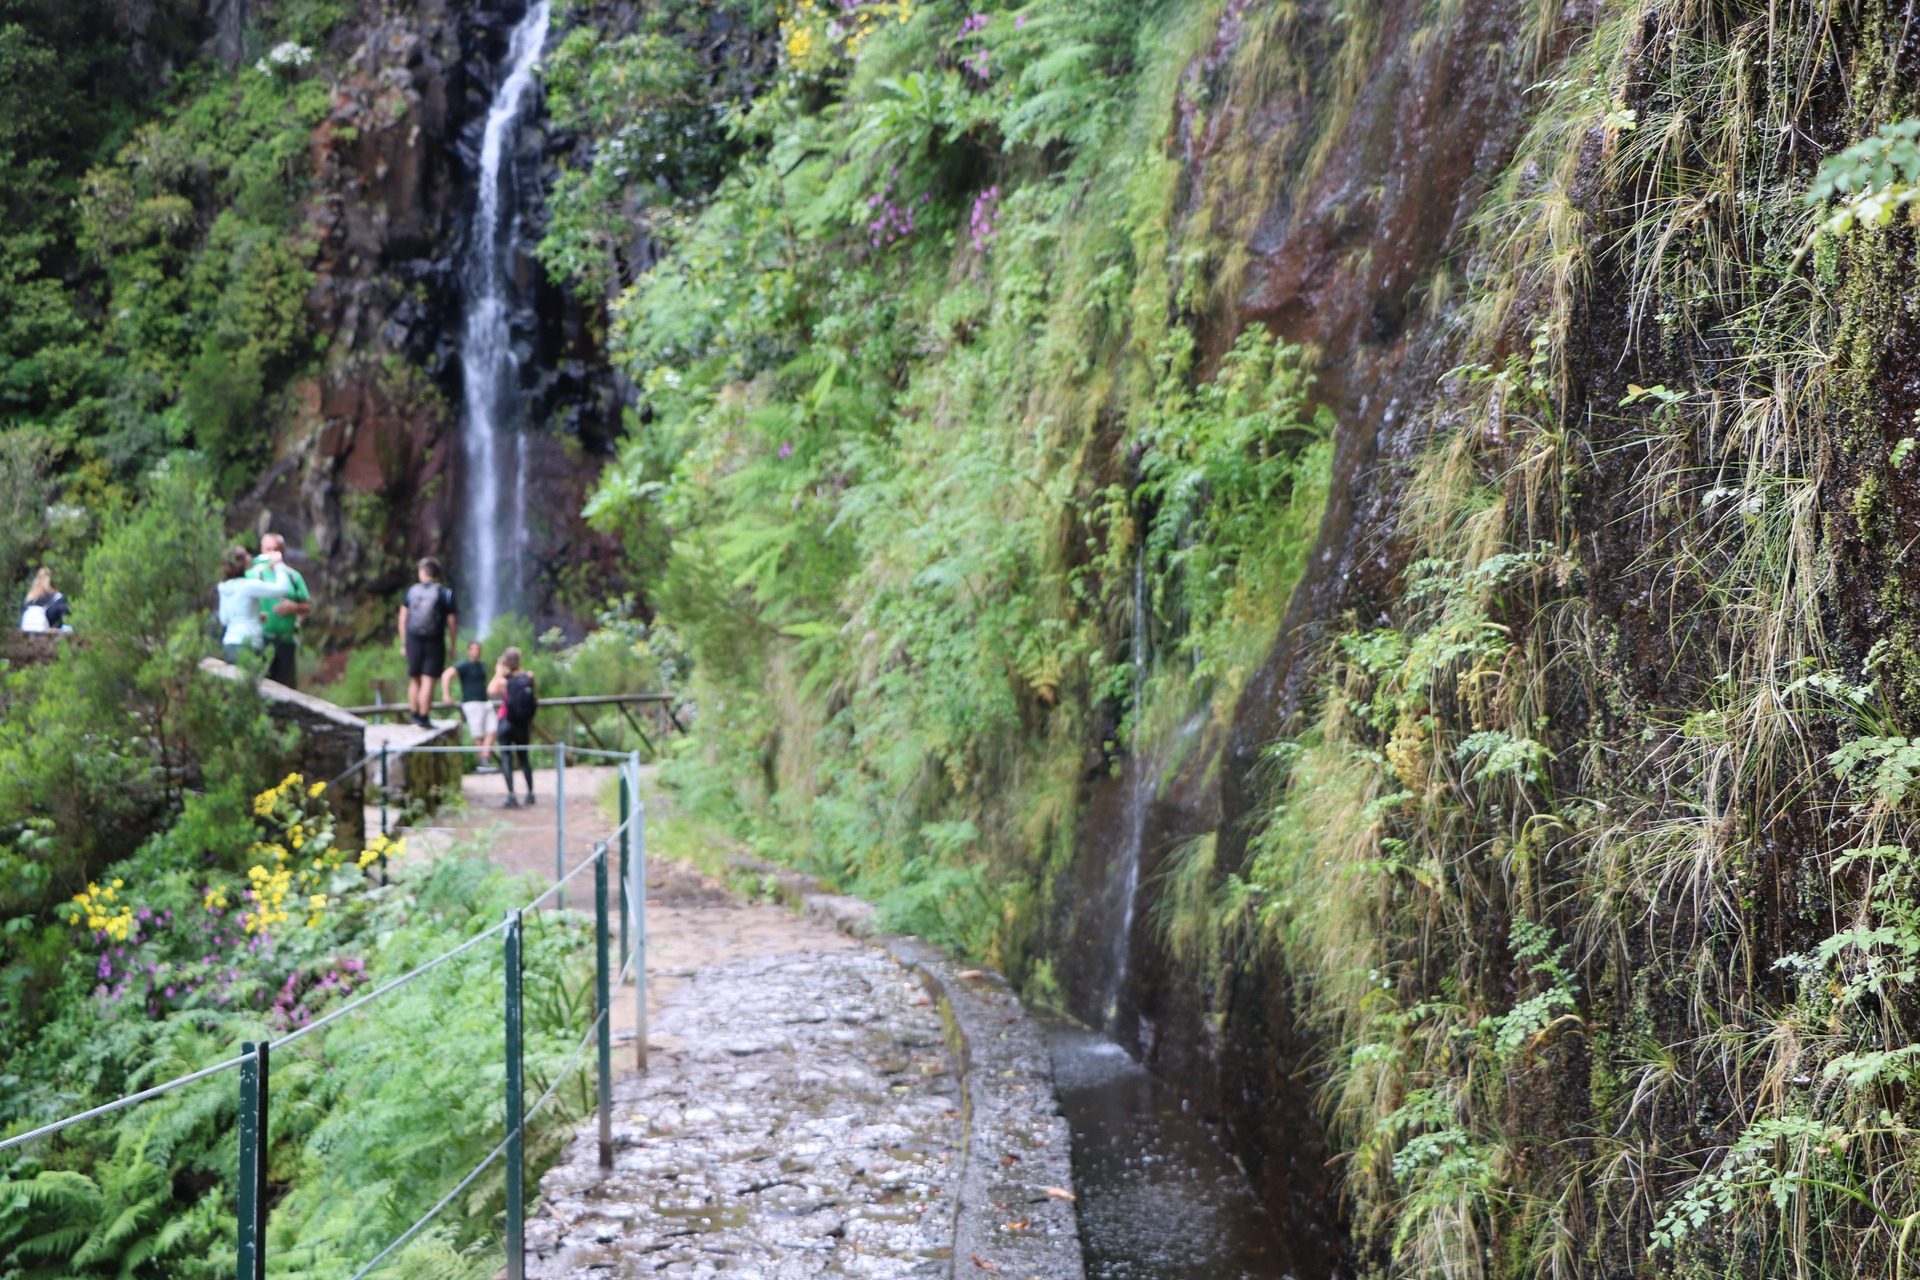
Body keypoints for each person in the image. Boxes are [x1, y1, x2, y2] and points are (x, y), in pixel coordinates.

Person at [396, 557, 457, 729]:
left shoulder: (412, 592)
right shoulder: (445, 594)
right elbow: (452, 623)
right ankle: (424, 717)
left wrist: (404, 643)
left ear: (423, 572)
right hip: (435, 641)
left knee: (414, 680)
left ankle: (414, 715)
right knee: (428, 680)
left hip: (413, 639)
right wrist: (452, 645)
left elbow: (402, 618)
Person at [248, 533, 311, 687]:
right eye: (268, 549)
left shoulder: (293, 577)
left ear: (283, 550)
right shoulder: (253, 575)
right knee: (259, 684)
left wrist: (294, 607)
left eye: (275, 549)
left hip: (286, 642)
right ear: (262, 550)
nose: (271, 554)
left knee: (283, 687)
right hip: (260, 640)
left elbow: (307, 607)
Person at [217, 547, 292, 664]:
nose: (250, 557)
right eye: (246, 555)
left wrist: (254, 617)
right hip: (249, 644)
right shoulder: (248, 585)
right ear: (240, 563)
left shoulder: (223, 587)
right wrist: (279, 565)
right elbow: (282, 589)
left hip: (230, 643)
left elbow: (224, 619)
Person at [488, 646, 538, 807]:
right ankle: (530, 793)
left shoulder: (504, 681)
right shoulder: (529, 676)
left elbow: (490, 691)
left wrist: (498, 672)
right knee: (524, 758)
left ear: (505, 661)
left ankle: (511, 795)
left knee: (506, 757)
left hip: (506, 722)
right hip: (522, 724)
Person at [441, 640, 498, 772]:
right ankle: (483, 763)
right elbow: (447, 674)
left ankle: (485, 758)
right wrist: (446, 694)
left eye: (478, 649)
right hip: (471, 703)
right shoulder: (465, 665)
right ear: (468, 651)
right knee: (478, 734)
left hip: (485, 701)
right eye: (473, 649)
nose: (476, 652)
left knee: (493, 729)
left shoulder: (482, 665)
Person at [19, 568, 70, 632]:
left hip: (27, 637)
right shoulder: (58, 599)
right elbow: (65, 621)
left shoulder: (28, 601)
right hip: (49, 637)